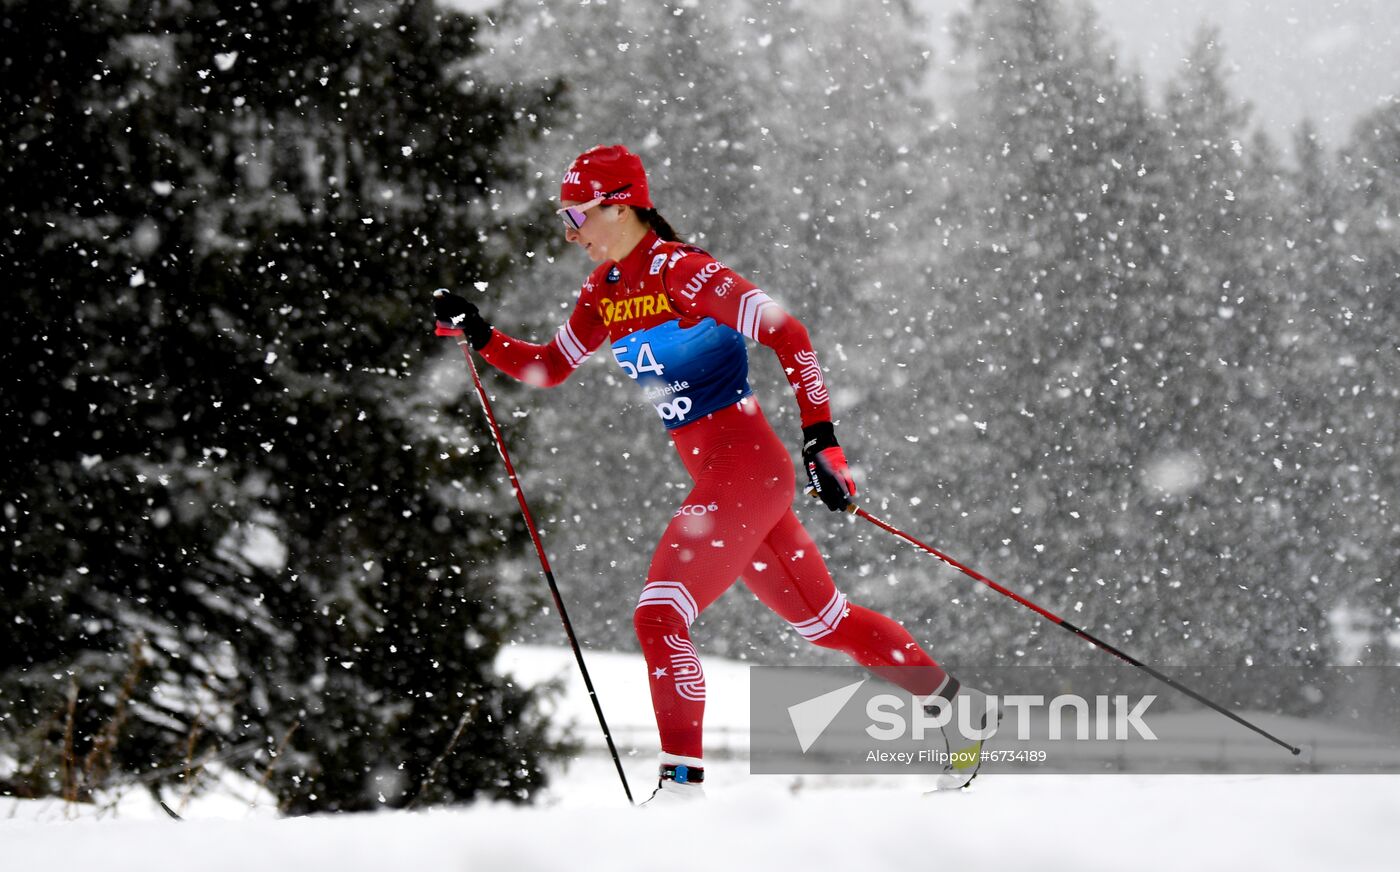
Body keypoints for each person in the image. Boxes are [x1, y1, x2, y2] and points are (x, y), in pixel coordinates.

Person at [433, 145, 995, 803]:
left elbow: (789, 332)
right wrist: (481, 333)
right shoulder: (604, 292)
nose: (569, 231)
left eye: (577, 214)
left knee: (658, 617)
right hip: (734, 483)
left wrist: (822, 440)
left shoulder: (683, 273)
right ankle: (962, 712)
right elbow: (548, 369)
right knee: (827, 623)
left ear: (620, 205)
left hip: (745, 471)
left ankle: (681, 787)